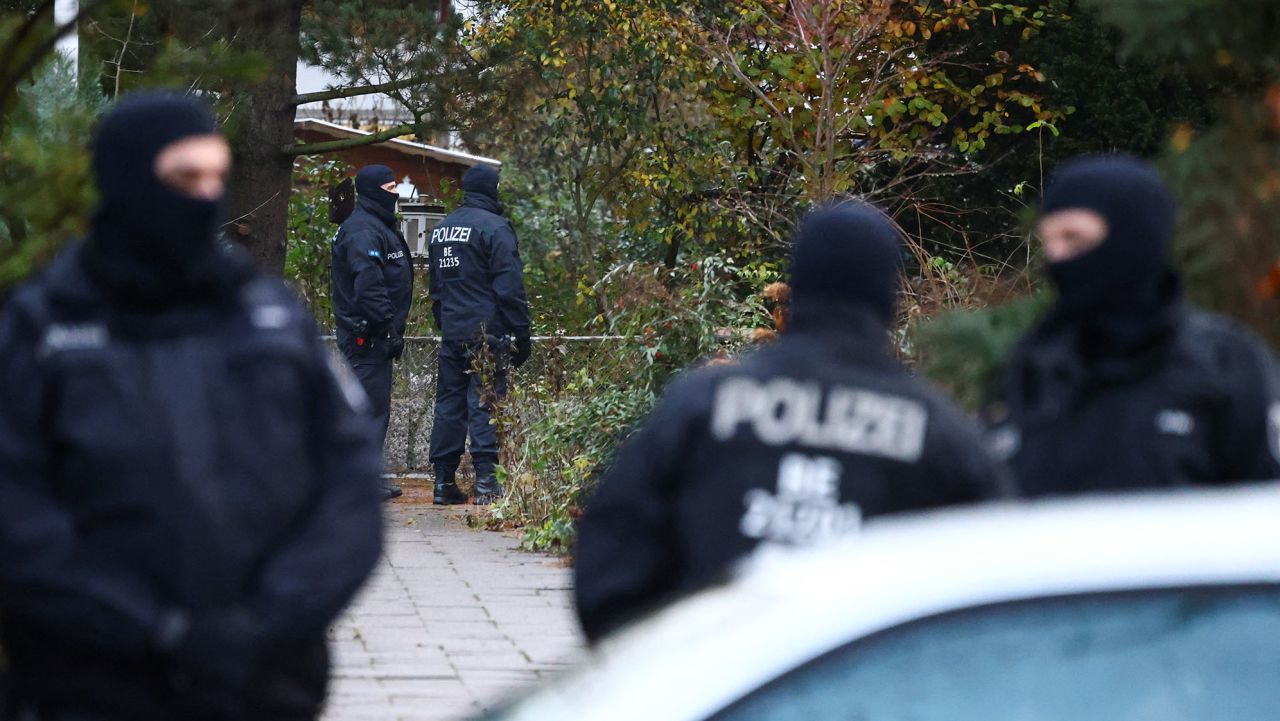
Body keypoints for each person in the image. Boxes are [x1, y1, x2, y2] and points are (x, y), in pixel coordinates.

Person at [0, 92, 385, 721]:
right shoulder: (42, 330)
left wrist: (263, 623)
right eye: (185, 177)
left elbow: (348, 489)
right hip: (90, 685)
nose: (205, 196)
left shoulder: (271, 318)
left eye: (216, 177)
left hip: (262, 686)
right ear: (127, 179)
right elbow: (17, 517)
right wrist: (152, 630)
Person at [572, 201, 1013, 643]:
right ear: (888, 294)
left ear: (796, 285)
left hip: (721, 681)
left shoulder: (704, 405)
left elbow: (609, 560)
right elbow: (999, 585)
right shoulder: (936, 432)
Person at [984, 155, 1280, 496]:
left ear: (1132, 236)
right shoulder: (1035, 368)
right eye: (1049, 243)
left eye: (1074, 239)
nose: (1058, 259)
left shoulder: (1225, 366)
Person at [426, 165, 532, 505]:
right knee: (485, 401)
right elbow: (509, 287)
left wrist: (447, 322)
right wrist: (522, 333)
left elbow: (437, 288)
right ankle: (487, 483)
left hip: (453, 332)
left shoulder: (442, 229)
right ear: (492, 189)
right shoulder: (495, 228)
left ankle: (443, 483)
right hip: (486, 333)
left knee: (449, 406)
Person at [331, 164, 415, 501]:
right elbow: (368, 286)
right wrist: (386, 327)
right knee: (367, 408)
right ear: (375, 191)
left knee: (374, 407)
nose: (396, 194)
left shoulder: (376, 226)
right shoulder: (363, 231)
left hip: (375, 335)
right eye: (391, 187)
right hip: (367, 336)